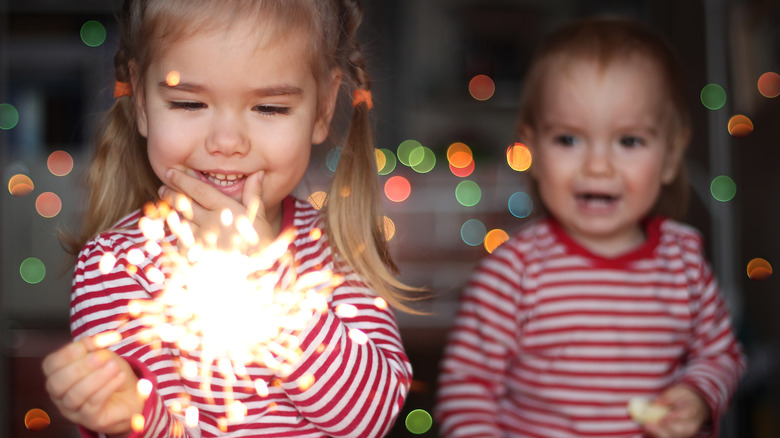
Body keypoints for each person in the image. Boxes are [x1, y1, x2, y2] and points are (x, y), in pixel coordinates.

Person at [42, 0, 417, 437]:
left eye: (269, 108)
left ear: (323, 108)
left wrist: (265, 274)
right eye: (188, 103)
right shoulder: (115, 269)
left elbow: (369, 417)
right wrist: (131, 418)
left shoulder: (337, 253)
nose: (226, 141)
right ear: (142, 101)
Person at [435, 17, 746, 438]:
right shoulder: (514, 271)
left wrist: (697, 395)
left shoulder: (684, 260)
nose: (598, 166)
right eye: (568, 140)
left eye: (629, 141)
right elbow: (466, 388)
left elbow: (721, 355)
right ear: (532, 151)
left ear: (670, 155)